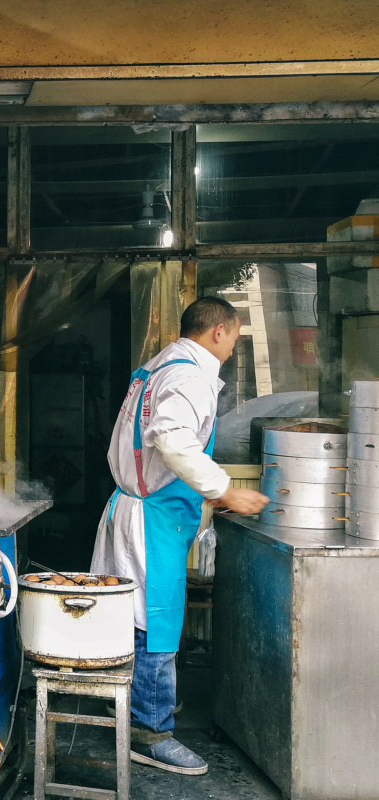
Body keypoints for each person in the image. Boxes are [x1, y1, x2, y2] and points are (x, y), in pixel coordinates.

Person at [91, 297, 269, 775]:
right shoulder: (190, 374)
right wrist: (225, 490)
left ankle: (131, 704)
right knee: (157, 622)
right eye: (234, 336)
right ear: (218, 331)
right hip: (152, 520)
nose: (233, 348)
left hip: (139, 506)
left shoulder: (159, 364)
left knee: (135, 615)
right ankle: (150, 732)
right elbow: (172, 439)